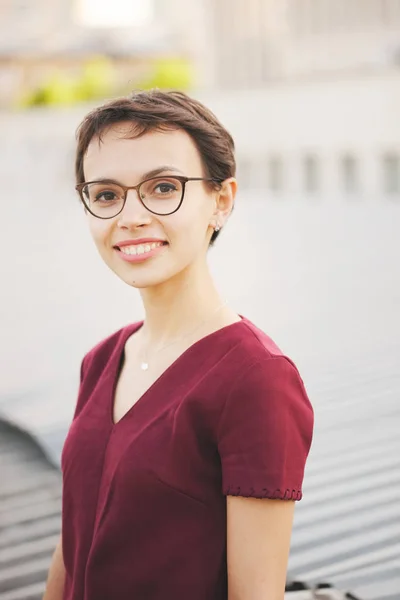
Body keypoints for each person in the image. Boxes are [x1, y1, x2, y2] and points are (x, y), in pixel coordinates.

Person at [44, 90, 314, 600]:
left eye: (163, 187)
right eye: (106, 195)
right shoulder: (102, 360)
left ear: (222, 200)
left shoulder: (257, 378)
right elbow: (71, 542)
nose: (131, 216)